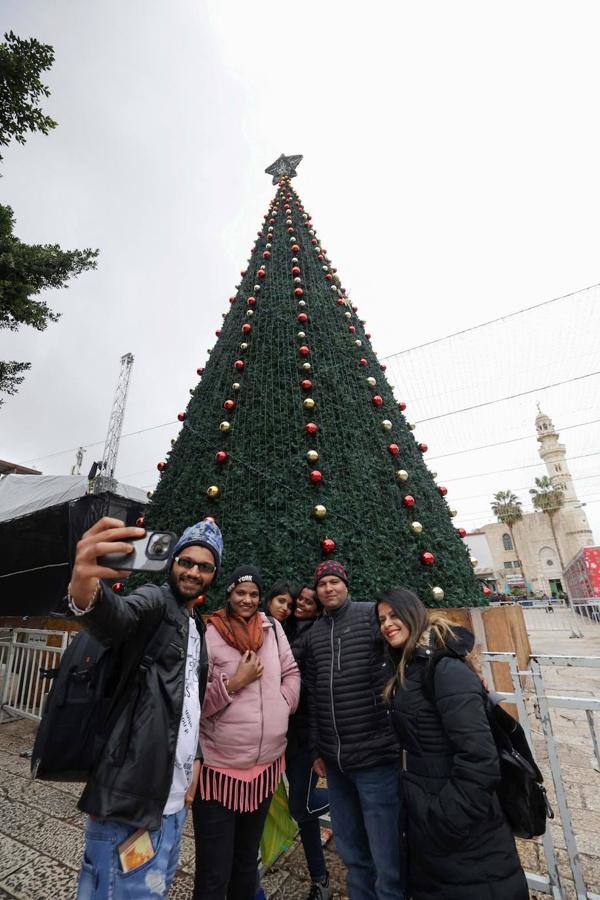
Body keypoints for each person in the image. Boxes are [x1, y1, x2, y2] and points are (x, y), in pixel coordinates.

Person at [66, 516, 223, 900]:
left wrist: (197, 755)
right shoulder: (155, 601)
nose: (193, 571)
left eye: (205, 566)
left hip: (170, 806)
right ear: (172, 562)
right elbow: (117, 617)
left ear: (214, 574)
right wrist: (84, 584)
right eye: (186, 561)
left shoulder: (196, 626)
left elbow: (186, 701)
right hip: (130, 804)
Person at [376, 587, 529, 900]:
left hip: (460, 830)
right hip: (429, 821)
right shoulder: (407, 666)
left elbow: (480, 759)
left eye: (394, 615)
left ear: (413, 614)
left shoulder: (444, 670)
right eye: (381, 619)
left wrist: (444, 819)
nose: (387, 624)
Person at [192, 565, 300, 900]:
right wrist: (235, 683)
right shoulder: (208, 633)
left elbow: (292, 672)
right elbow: (194, 699)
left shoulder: (274, 629)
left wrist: (284, 704)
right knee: (214, 871)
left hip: (265, 770)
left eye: (254, 594)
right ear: (229, 594)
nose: (248, 600)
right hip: (219, 772)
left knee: (245, 864)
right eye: (241, 593)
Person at [305, 561, 404, 900]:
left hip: (376, 758)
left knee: (386, 854)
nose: (328, 588)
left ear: (346, 584)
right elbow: (315, 693)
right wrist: (318, 748)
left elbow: (408, 644)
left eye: (334, 582)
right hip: (336, 764)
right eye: (322, 584)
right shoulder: (315, 633)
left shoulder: (370, 617)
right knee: (352, 854)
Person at [285, 584, 332, 900]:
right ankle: (321, 879)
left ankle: (348, 800)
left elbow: (314, 693)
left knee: (300, 805)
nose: (302, 604)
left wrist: (317, 745)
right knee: (305, 815)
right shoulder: (282, 628)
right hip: (284, 735)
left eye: (309, 601)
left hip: (305, 736)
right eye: (299, 599)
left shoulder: (315, 637)